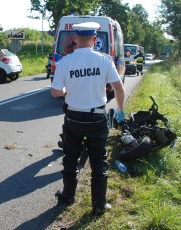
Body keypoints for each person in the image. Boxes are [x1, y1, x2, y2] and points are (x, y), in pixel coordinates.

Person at [50, 22, 125, 216]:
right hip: (97, 119)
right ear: (94, 40)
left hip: (73, 119)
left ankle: (67, 196)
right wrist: (120, 109)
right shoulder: (105, 60)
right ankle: (99, 205)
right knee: (99, 161)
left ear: (75, 38)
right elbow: (118, 87)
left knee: (70, 158)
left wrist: (66, 90)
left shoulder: (65, 62)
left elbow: (56, 92)